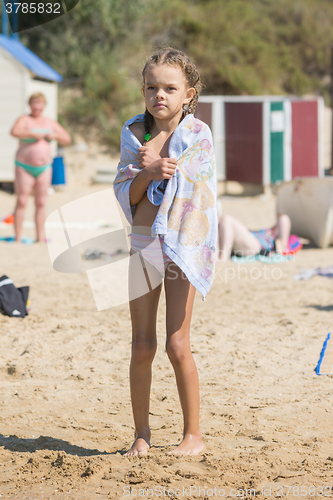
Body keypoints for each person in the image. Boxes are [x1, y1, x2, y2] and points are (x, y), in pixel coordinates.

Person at [113, 48, 217, 456]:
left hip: (182, 245)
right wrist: (150, 171)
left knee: (177, 343)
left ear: (188, 94)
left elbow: (197, 185)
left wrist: (164, 162)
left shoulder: (199, 134)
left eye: (170, 88)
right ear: (143, 91)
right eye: (152, 87)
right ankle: (142, 433)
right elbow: (129, 194)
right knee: (142, 344)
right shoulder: (134, 134)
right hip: (143, 246)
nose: (161, 95)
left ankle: (193, 435)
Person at [10, 93, 71, 242]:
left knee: (41, 202)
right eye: (34, 103)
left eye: (40, 103)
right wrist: (33, 134)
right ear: (29, 104)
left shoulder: (49, 122)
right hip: (24, 166)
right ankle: (18, 238)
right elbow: (14, 132)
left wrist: (54, 136)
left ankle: (39, 237)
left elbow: (67, 139)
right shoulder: (24, 119)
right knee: (22, 201)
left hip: (44, 167)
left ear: (44, 105)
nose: (37, 106)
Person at [218, 213, 291, 261]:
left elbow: (284, 219)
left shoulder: (278, 242)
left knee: (227, 219)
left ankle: (224, 257)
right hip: (249, 239)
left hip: (256, 246)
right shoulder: (269, 231)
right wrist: (272, 229)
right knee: (220, 220)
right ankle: (216, 257)